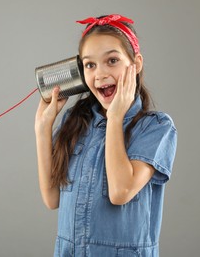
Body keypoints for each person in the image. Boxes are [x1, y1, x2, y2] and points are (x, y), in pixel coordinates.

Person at [35, 14, 177, 257]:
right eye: (90, 65)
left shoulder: (156, 127)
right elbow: (51, 198)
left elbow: (120, 192)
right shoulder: (75, 122)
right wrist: (42, 129)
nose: (100, 74)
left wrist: (115, 118)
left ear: (136, 64)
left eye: (112, 60)